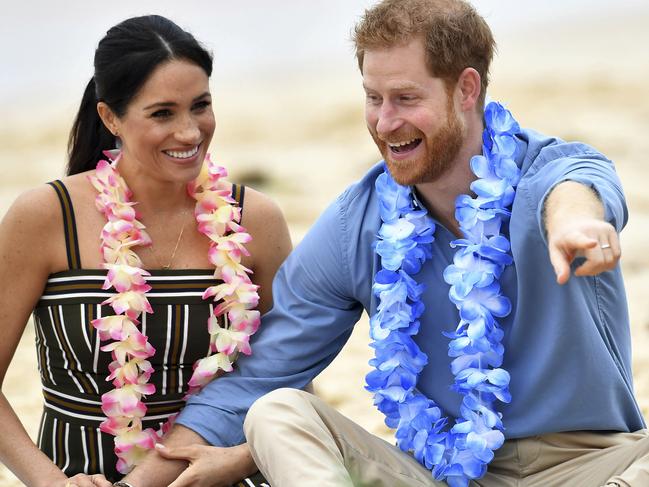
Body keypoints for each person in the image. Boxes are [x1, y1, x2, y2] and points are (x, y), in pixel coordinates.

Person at [116, 1, 649, 486]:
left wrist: (575, 226)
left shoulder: (550, 173)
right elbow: (259, 376)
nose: (385, 122)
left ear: (466, 89)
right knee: (275, 413)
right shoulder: (361, 221)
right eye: (374, 98)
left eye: (405, 98)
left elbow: (574, 190)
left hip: (596, 467)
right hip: (443, 477)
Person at [0, 15, 289, 487]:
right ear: (110, 117)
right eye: (162, 113)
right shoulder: (45, 217)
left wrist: (243, 458)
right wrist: (49, 482)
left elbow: (289, 374)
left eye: (201, 106)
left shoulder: (256, 219)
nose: (190, 132)